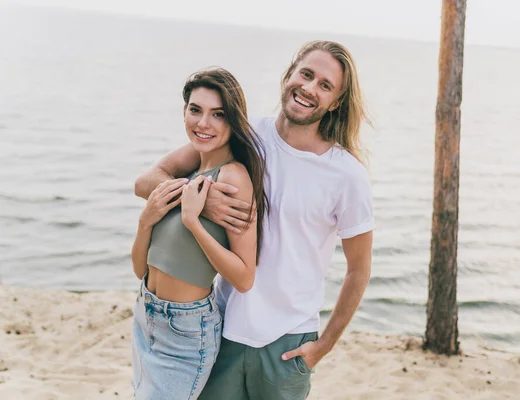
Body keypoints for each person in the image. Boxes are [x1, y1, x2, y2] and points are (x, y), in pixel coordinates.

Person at [135, 40, 374, 400]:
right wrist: (201, 198)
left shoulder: (347, 176)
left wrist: (324, 345)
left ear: (336, 101)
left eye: (325, 85)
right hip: (224, 327)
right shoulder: (247, 135)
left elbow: (359, 269)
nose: (310, 88)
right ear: (289, 74)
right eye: (306, 74)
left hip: (287, 344)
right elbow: (150, 179)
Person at [130, 67, 268, 399]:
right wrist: (146, 221)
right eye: (195, 110)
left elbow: (244, 277)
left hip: (186, 331)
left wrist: (193, 222)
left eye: (217, 114)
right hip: (145, 314)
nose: (203, 123)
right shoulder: (194, 161)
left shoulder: (233, 177)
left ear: (233, 121)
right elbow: (140, 269)